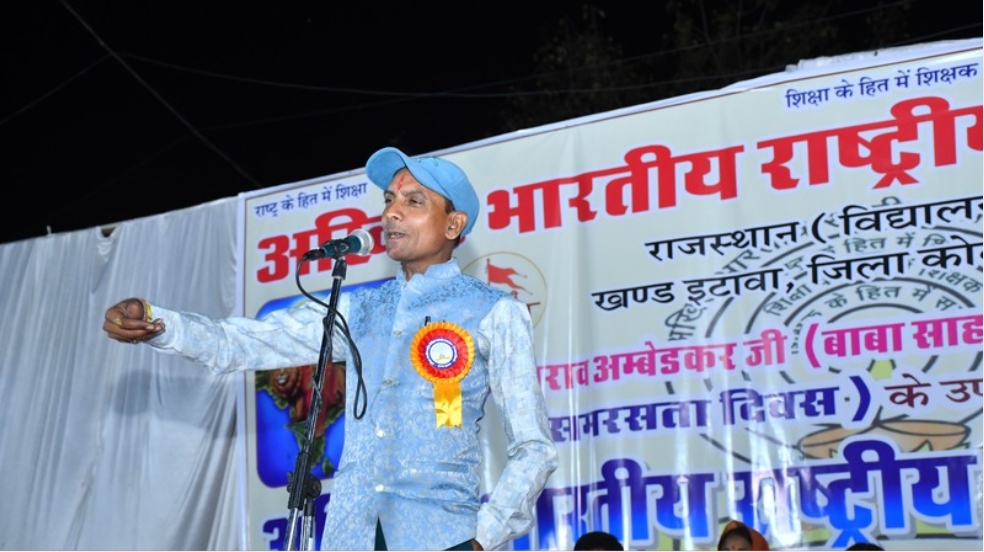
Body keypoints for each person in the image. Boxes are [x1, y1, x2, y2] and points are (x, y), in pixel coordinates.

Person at [102, 147, 559, 551]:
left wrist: (482, 538)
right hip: (350, 534)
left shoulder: (494, 311)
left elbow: (534, 447)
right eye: (389, 200)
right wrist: (161, 323)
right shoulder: (360, 308)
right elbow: (249, 341)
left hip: (442, 535)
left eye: (413, 201)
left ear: (454, 224)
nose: (391, 213)